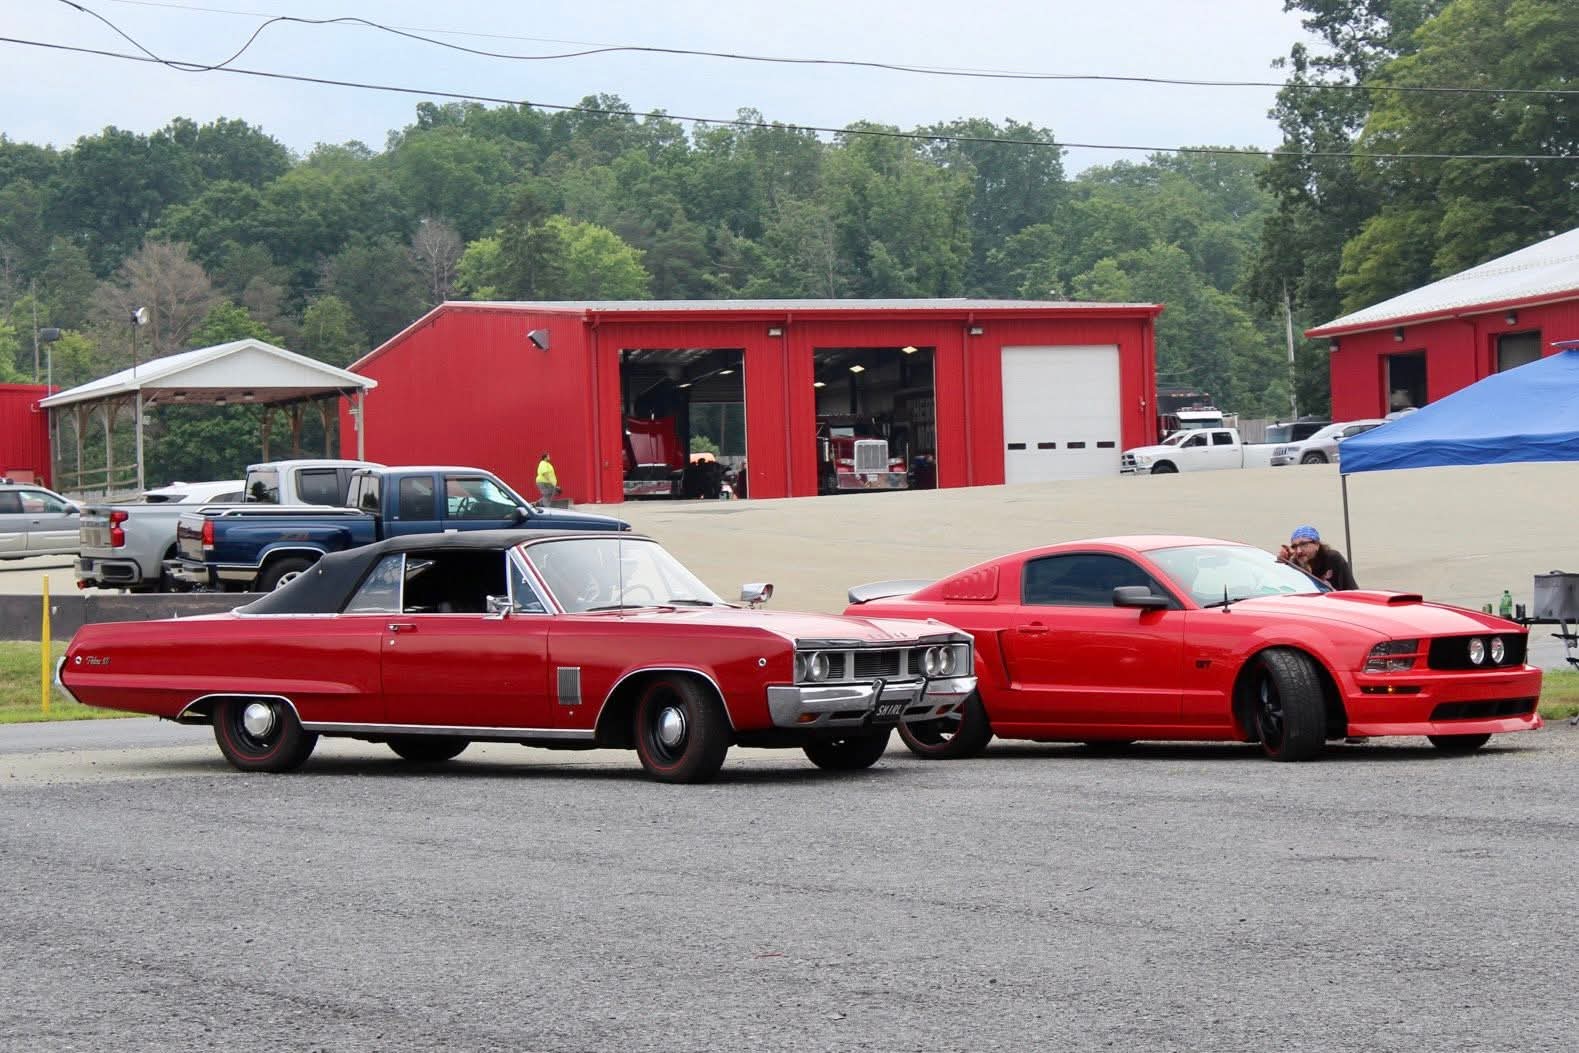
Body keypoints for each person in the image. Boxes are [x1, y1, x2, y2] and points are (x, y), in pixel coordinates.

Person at [1278, 525, 1357, 591]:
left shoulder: (1332, 558)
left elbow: (1350, 589)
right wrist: (1283, 562)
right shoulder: (1294, 564)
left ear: (1317, 544)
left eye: (1303, 544)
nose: (1298, 551)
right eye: (1294, 547)